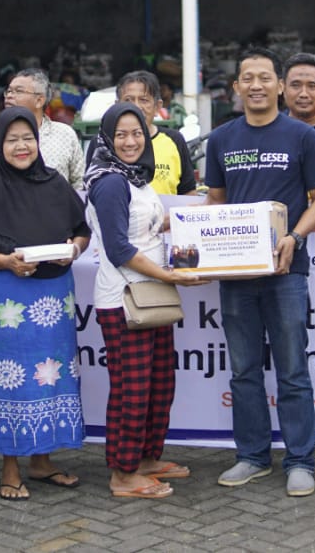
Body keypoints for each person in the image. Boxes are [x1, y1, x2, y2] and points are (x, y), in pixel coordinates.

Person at [206, 47, 315, 497]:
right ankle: (253, 456)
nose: (256, 85)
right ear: (236, 87)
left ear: (279, 85)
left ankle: (300, 460)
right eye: (247, 78)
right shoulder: (221, 139)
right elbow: (215, 204)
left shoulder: (302, 137)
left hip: (287, 271)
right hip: (237, 277)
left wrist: (294, 238)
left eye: (264, 77)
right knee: (243, 371)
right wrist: (200, 243)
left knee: (293, 368)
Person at [0, 106, 91, 501]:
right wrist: (6, 261)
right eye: (12, 139)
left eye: (27, 138)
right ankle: (9, 468)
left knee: (48, 375)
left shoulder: (56, 184)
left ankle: (41, 460)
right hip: (4, 301)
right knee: (9, 379)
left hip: (53, 299)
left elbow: (81, 231)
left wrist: (74, 250)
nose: (21, 146)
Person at [85, 103, 210, 498]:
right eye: (120, 134)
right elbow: (119, 248)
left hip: (151, 294)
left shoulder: (137, 179)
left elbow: (153, 225)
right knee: (132, 389)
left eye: (136, 133)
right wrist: (170, 276)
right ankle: (123, 473)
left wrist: (208, 218)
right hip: (124, 298)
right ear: (106, 137)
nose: (130, 141)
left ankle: (146, 457)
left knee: (158, 383)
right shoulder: (108, 182)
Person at [0, 68, 85, 188]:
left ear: (39, 101)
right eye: (8, 91)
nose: (9, 96)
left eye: (18, 91)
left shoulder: (65, 135)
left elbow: (79, 183)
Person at [115, 70, 197, 195]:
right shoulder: (104, 142)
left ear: (157, 107)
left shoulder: (174, 140)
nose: (136, 107)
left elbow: (188, 193)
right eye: (128, 100)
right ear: (117, 106)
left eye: (144, 100)